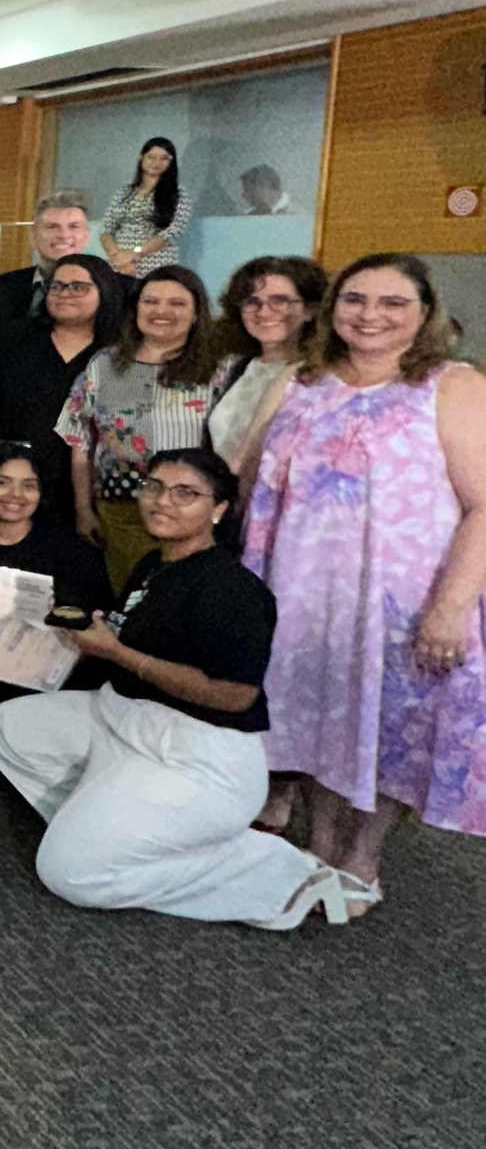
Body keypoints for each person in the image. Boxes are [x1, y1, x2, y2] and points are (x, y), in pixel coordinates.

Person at [0, 449, 358, 928]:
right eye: (155, 487)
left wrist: (118, 653)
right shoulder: (153, 563)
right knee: (6, 728)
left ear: (218, 509)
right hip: (120, 718)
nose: (163, 501)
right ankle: (113, 833)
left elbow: (235, 695)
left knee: (67, 873)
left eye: (186, 494)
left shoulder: (232, 590)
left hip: (195, 755)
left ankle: (278, 873)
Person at [239, 254, 486, 905]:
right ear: (332, 309)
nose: (370, 314)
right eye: (355, 299)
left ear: (425, 313)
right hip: (300, 592)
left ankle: (363, 856)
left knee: (394, 727)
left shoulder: (451, 385)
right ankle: (320, 842)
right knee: (309, 718)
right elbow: (249, 480)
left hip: (404, 601)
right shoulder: (301, 380)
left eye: (392, 302)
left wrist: (451, 606)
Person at [59, 264, 219, 590]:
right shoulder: (105, 364)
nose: (161, 311)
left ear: (196, 313)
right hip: (120, 513)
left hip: (189, 513)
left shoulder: (219, 368)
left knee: (180, 599)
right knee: (130, 601)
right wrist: (83, 509)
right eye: (150, 302)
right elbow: (79, 440)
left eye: (177, 303)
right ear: (135, 309)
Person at [0, 443, 111, 736]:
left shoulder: (69, 549)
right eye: (2, 482)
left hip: (45, 663)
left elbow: (96, 618)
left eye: (29, 485)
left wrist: (60, 612)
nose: (15, 495)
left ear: (42, 492)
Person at [0, 253, 121, 531]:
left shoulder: (118, 353)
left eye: (78, 287)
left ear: (104, 291)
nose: (64, 294)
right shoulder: (14, 337)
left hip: (87, 491)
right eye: (57, 286)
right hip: (11, 484)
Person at [205, 256, 326, 471]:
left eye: (280, 301)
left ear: (310, 310)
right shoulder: (235, 368)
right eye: (252, 302)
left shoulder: (319, 375)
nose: (264, 312)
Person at [0, 191, 95, 360]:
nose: (63, 235)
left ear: (87, 236)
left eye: (74, 227)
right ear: (33, 236)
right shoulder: (2, 287)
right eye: (52, 227)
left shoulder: (117, 289)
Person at [101, 137, 192, 277]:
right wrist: (119, 257)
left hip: (156, 265)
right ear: (141, 157)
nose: (156, 163)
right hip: (120, 266)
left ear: (171, 162)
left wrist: (134, 254)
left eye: (164, 158)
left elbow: (173, 232)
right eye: (151, 157)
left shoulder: (178, 193)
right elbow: (106, 230)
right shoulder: (123, 192)